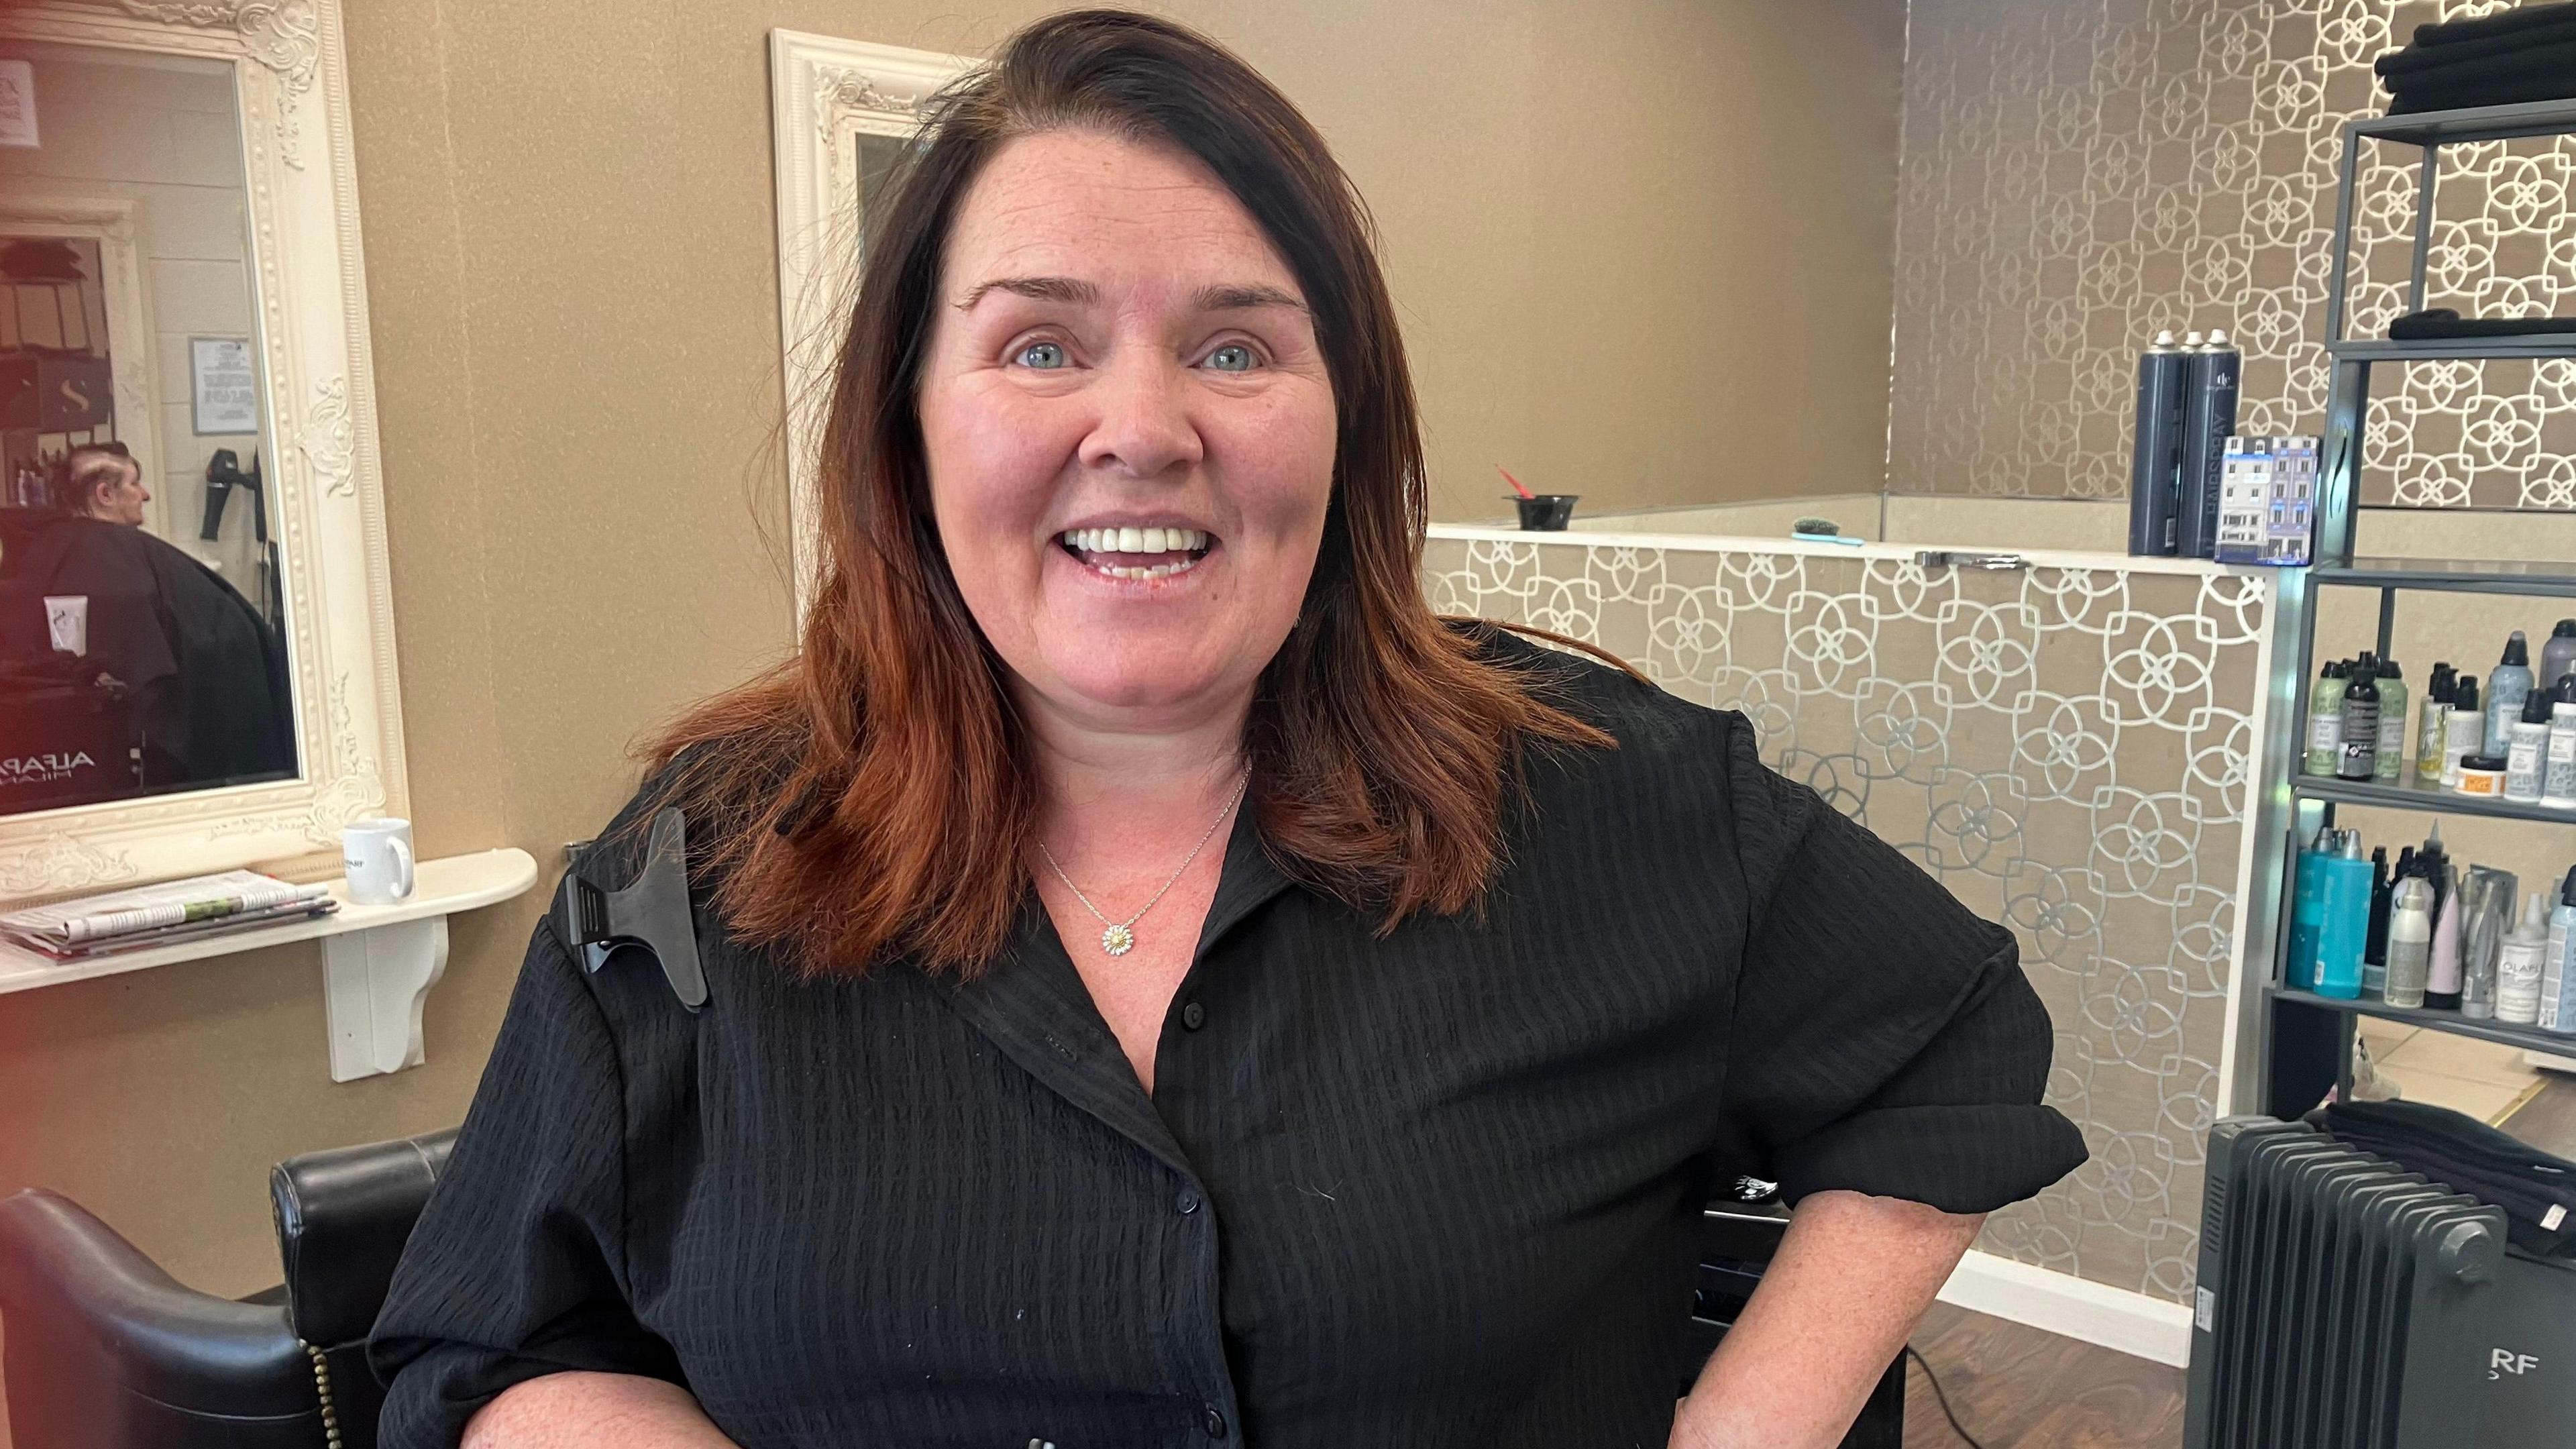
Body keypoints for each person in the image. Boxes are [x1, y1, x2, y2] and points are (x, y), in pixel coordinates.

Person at [370, 13, 2085, 1448]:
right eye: (1039, 344)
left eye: (1236, 346)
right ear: (907, 427)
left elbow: (1950, 1050)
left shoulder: (1607, 797)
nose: (1142, 426)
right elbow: (493, 1346)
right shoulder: (696, 872)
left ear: (1345, 422)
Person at [0, 443, 293, 793]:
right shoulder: (114, 564)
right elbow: (150, 669)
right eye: (135, 484)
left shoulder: (47, 552)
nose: (146, 494)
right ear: (106, 494)